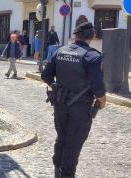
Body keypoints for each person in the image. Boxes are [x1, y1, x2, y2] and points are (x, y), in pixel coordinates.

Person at [41, 21, 106, 178]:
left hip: (60, 105)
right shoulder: (93, 56)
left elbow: (46, 75)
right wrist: (102, 101)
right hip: (80, 108)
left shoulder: (60, 51)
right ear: (92, 36)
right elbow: (97, 87)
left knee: (61, 138)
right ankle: (67, 174)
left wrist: (57, 87)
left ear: (75, 36)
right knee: (74, 143)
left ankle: (57, 170)